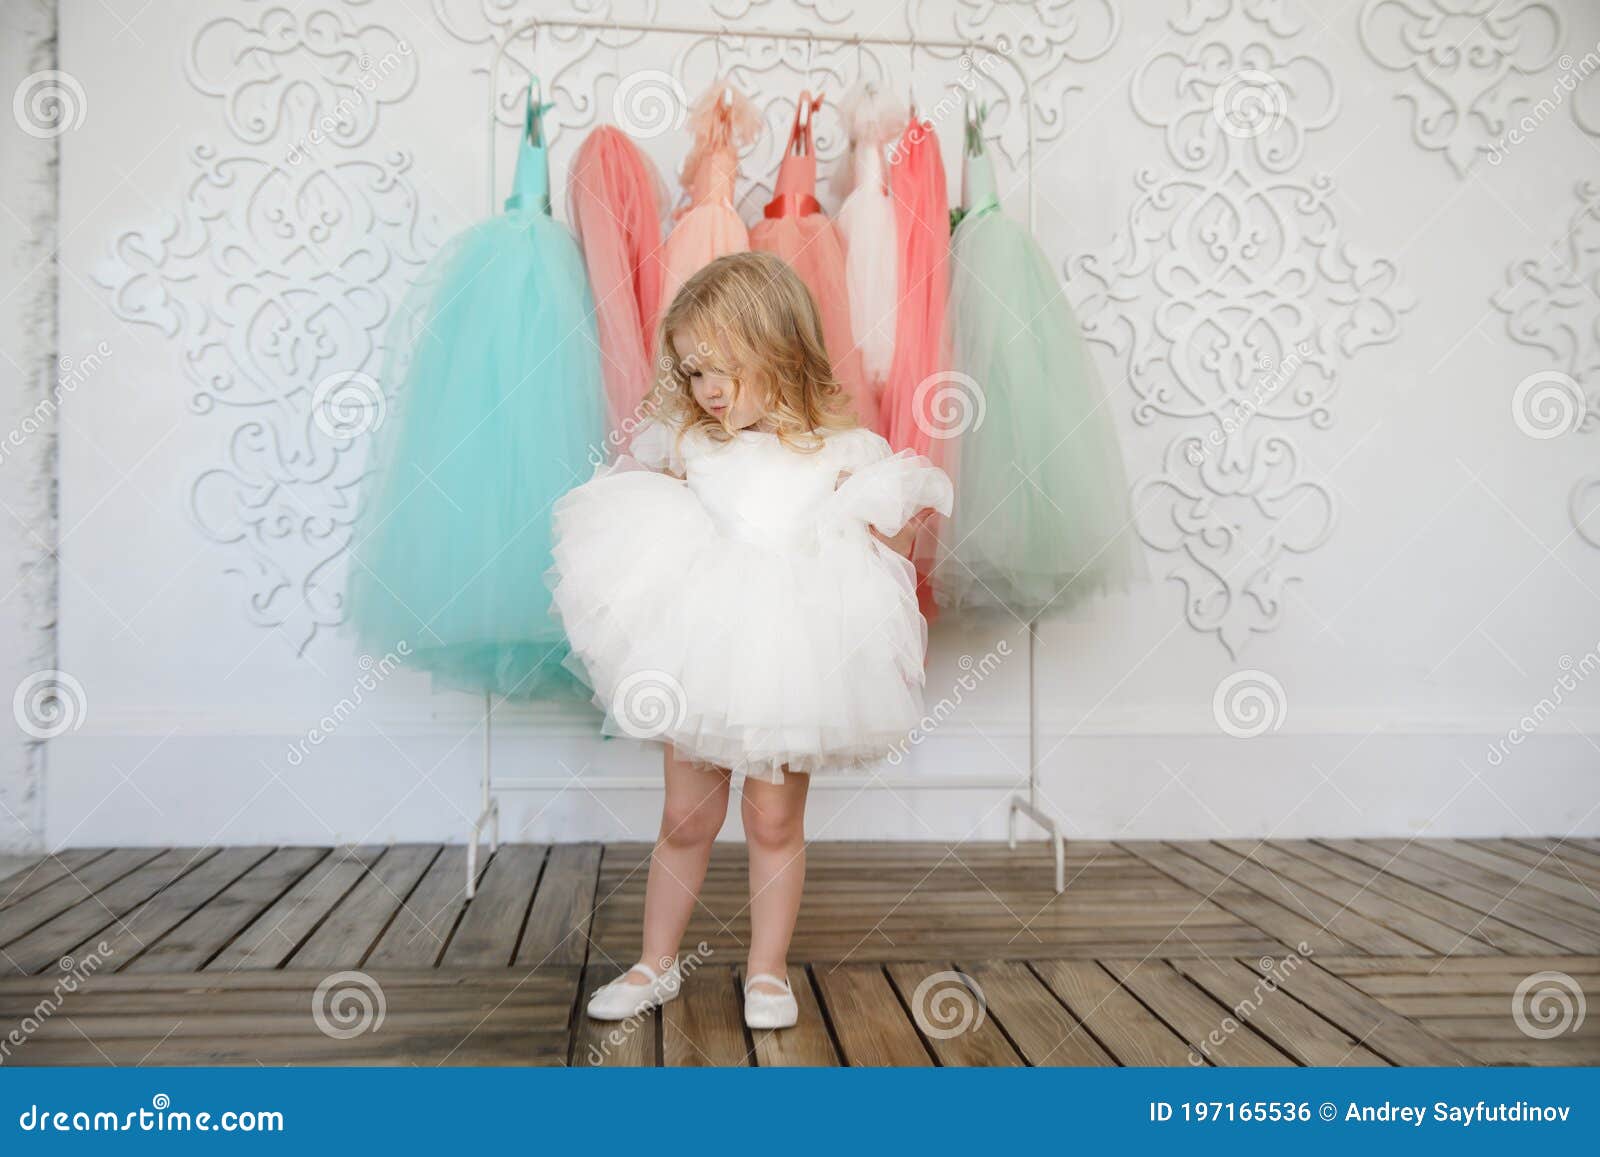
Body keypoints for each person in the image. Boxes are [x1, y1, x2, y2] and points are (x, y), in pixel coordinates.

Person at [546, 251, 952, 1031]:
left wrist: (890, 512)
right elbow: (654, 521)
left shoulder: (840, 451)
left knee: (772, 819)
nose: (707, 390)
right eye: (694, 372)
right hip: (703, 646)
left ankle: (766, 970)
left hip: (796, 653)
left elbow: (889, 545)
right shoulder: (691, 444)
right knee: (687, 816)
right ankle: (655, 963)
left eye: (723, 369)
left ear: (781, 351)